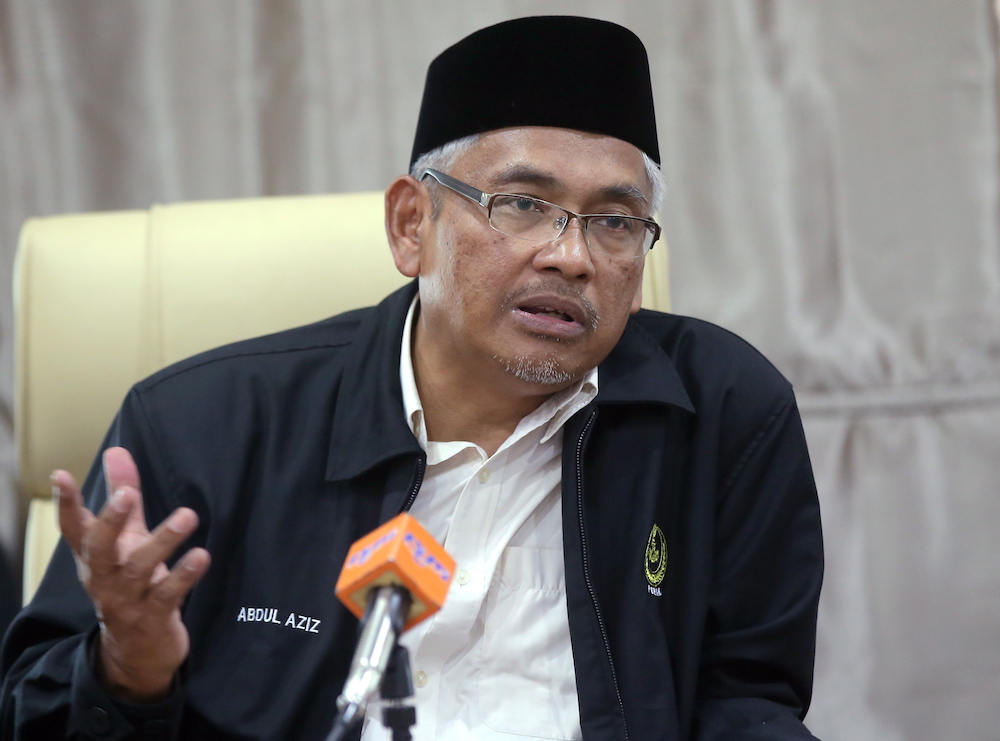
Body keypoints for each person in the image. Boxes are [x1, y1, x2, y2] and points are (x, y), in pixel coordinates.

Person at [0, 16, 823, 741]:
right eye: (523, 205)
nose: (571, 256)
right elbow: (36, 713)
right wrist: (129, 669)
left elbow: (748, 702)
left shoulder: (723, 414)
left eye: (614, 222)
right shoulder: (199, 427)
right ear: (410, 226)